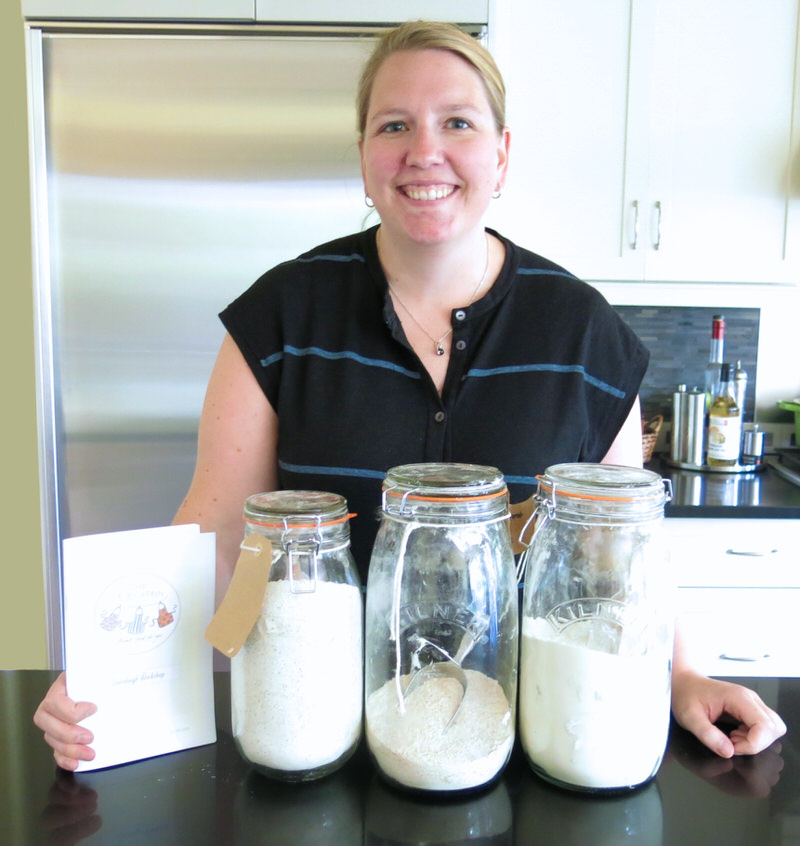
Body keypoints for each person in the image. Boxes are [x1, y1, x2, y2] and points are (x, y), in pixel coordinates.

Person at [34, 20, 785, 772]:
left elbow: (624, 553)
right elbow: (223, 538)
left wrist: (685, 675)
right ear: (364, 158)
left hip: (532, 740)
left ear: (501, 154)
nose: (424, 151)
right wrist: (125, 673)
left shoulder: (583, 333)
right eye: (394, 125)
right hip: (312, 735)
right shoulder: (281, 317)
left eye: (457, 122)